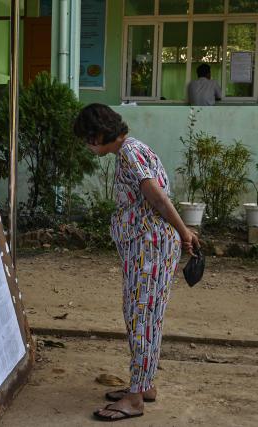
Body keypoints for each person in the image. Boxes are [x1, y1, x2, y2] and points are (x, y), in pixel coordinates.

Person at [73, 104, 200, 422]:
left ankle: (135, 399)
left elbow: (156, 197)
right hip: (146, 249)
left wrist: (184, 233)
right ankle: (144, 385)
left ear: (99, 134)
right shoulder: (132, 150)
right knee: (144, 316)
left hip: (151, 249)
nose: (87, 148)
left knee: (141, 317)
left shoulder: (130, 153)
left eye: (87, 141)